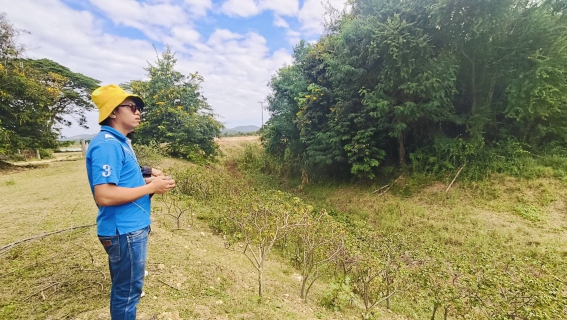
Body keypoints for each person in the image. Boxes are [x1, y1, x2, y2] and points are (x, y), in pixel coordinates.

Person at [86, 84, 176, 319]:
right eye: (132, 107)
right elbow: (104, 195)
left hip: (130, 229)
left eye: (139, 109)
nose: (138, 113)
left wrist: (151, 182)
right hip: (124, 231)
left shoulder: (121, 142)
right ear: (113, 112)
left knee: (126, 290)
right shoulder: (107, 145)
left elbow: (125, 181)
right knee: (127, 294)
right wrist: (151, 186)